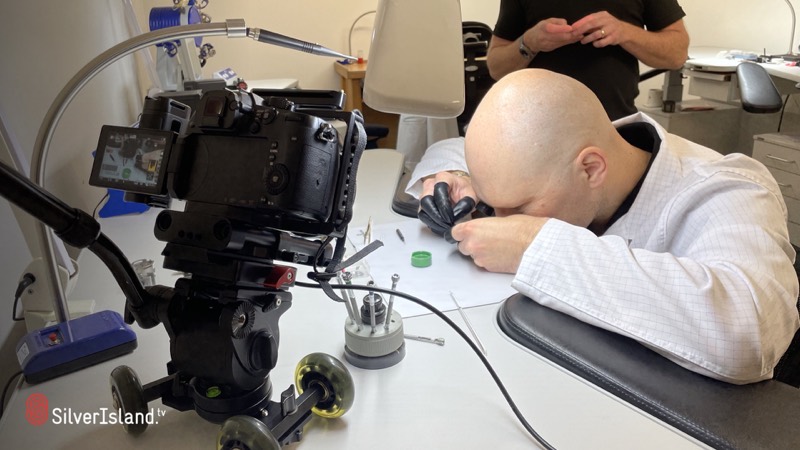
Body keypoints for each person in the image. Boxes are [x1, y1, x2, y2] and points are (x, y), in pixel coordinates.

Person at [406, 69, 800, 384]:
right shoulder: (555, 144)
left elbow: (749, 333)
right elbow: (450, 148)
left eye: (518, 207)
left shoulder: (729, 188)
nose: (500, 223)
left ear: (591, 168)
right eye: (495, 205)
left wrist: (537, 245)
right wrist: (455, 176)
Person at [486, 1, 690, 120]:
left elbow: (677, 53)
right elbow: (496, 67)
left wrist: (624, 32)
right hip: (535, 130)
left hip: (617, 127)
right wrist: (530, 42)